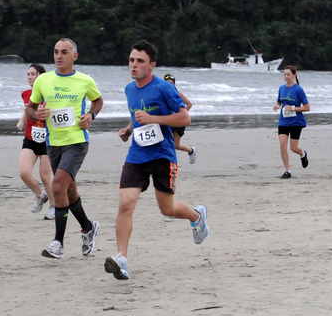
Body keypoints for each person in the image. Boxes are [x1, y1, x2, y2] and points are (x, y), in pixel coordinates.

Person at [105, 41, 208, 281]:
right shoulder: (129, 89)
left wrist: (153, 117)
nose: (134, 65)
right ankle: (122, 259)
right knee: (125, 204)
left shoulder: (164, 88)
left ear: (152, 65)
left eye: (140, 61)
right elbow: (137, 116)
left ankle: (196, 217)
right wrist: (128, 129)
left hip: (162, 154)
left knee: (167, 209)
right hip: (137, 154)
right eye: (131, 60)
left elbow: (185, 117)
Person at [26, 38, 103, 259]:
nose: (59, 56)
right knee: (69, 191)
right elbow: (30, 108)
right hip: (54, 143)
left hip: (77, 141)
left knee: (58, 187)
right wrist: (35, 115)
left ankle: (58, 243)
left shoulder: (84, 80)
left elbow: (97, 101)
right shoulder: (43, 81)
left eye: (64, 52)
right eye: (56, 52)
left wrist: (91, 115)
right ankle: (88, 227)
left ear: (74, 56)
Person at [17, 64, 55, 218]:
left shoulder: (49, 94)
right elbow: (28, 109)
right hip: (30, 138)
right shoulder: (25, 94)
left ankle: (54, 207)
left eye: (33, 74)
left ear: (41, 76)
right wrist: (21, 120)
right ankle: (40, 195)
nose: (29, 77)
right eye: (28, 74)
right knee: (24, 173)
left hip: (47, 140)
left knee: (45, 177)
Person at [273, 65, 309, 178]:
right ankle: (287, 171)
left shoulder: (299, 90)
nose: (286, 77)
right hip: (283, 121)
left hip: (296, 122)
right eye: (285, 74)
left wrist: (293, 108)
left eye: (288, 74)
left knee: (293, 148)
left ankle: (303, 154)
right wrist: (277, 105)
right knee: (282, 144)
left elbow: (307, 107)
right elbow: (279, 101)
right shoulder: (281, 88)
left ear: (294, 75)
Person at [163, 74, 197, 164]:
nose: (169, 85)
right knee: (165, 142)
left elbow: (189, 104)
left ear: (174, 84)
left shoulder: (177, 93)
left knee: (175, 145)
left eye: (171, 83)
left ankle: (191, 151)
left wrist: (182, 114)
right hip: (169, 121)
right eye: (167, 83)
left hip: (178, 122)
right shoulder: (163, 94)